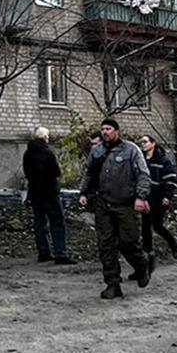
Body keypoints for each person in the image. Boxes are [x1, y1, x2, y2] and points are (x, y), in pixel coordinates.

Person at [78, 118, 152, 299]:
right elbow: (89, 173)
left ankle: (142, 266)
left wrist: (140, 197)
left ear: (116, 131)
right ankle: (112, 284)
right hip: (103, 203)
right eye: (102, 129)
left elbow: (143, 174)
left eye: (108, 128)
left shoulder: (131, 150)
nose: (104, 132)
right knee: (106, 245)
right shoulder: (97, 151)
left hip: (126, 204)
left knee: (129, 243)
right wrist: (83, 193)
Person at [23, 126, 75, 265]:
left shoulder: (27, 154)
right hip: (50, 193)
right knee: (57, 222)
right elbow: (56, 172)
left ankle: (43, 252)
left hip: (35, 193)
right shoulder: (48, 154)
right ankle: (61, 253)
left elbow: (27, 173)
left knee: (39, 224)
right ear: (45, 137)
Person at [137, 135, 177, 261]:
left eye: (145, 142)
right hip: (146, 197)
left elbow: (170, 179)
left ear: (153, 143)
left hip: (159, 197)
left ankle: (173, 243)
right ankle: (148, 253)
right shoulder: (141, 160)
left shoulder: (163, 161)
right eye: (141, 143)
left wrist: (167, 196)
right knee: (145, 225)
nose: (143, 145)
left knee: (157, 226)